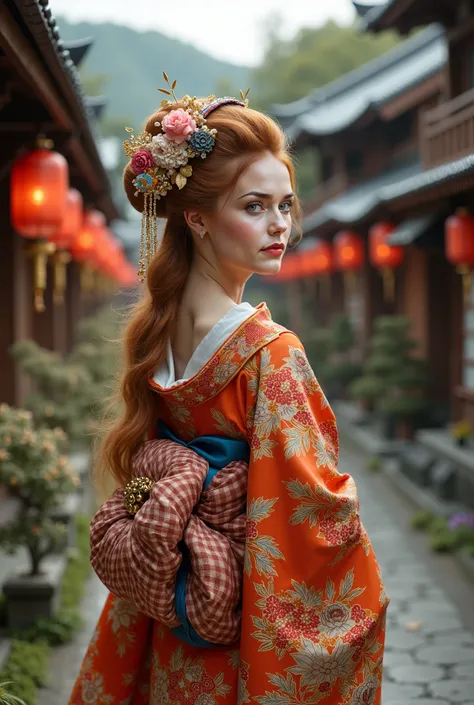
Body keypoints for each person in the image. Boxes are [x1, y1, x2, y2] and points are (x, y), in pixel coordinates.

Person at [69, 81, 389, 705]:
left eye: (286, 204)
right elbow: (308, 513)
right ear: (197, 217)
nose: (280, 225)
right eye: (254, 206)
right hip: (232, 623)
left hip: (173, 612)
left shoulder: (157, 330)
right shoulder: (270, 353)